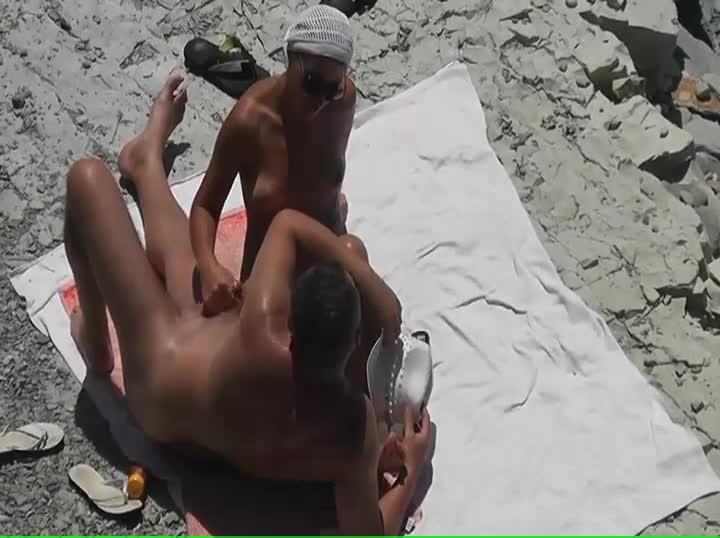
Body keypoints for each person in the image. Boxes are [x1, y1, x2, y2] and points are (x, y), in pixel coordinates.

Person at [64, 74, 431, 535]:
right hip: (228, 444)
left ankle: (96, 339)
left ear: (290, 321)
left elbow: (288, 225)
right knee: (196, 270)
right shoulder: (352, 433)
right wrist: (412, 466)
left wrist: (371, 283)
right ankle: (145, 164)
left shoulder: (262, 324)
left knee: (87, 179)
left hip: (164, 387)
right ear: (355, 339)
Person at [190, 5, 358, 318]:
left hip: (328, 255)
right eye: (312, 83)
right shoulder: (249, 121)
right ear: (289, 61)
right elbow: (205, 207)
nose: (320, 101)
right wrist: (209, 267)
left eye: (332, 88)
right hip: (270, 273)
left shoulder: (342, 101)